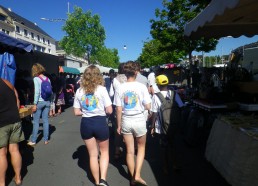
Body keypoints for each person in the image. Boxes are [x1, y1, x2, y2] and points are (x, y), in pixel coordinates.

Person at [73, 65, 112, 186]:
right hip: (100, 122)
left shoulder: (79, 91)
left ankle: (96, 181)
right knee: (104, 152)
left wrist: (86, 111)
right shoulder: (101, 89)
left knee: (93, 155)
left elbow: (76, 112)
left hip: (86, 124)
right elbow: (109, 110)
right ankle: (103, 180)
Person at [114, 61, 151, 186]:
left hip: (126, 120)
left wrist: (118, 125)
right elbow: (148, 105)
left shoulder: (120, 87)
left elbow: (118, 109)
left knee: (129, 151)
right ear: (136, 72)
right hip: (139, 120)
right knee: (140, 148)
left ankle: (132, 179)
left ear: (125, 73)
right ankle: (137, 175)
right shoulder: (141, 87)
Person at [150, 74, 184, 174]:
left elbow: (154, 113)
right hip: (173, 124)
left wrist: (152, 127)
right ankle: (175, 164)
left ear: (158, 85)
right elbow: (181, 107)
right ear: (167, 83)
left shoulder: (156, 97)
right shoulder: (174, 94)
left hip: (161, 127)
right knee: (173, 144)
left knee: (163, 147)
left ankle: (165, 167)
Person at [0, 78, 24, 186]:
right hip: (15, 119)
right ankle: (18, 178)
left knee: (1, 154)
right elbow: (17, 101)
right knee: (14, 150)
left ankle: (1, 183)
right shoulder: (7, 82)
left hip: (2, 123)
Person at [27, 63, 51, 146]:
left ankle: (33, 140)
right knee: (45, 121)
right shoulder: (48, 79)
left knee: (36, 122)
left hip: (39, 102)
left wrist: (34, 104)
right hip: (47, 102)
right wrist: (49, 101)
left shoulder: (36, 79)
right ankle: (46, 139)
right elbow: (50, 92)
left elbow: (37, 92)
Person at [109, 63, 127, 160]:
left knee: (118, 130)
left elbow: (111, 94)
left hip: (118, 106)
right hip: (128, 107)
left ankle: (116, 151)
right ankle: (128, 151)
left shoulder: (115, 80)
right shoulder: (129, 79)